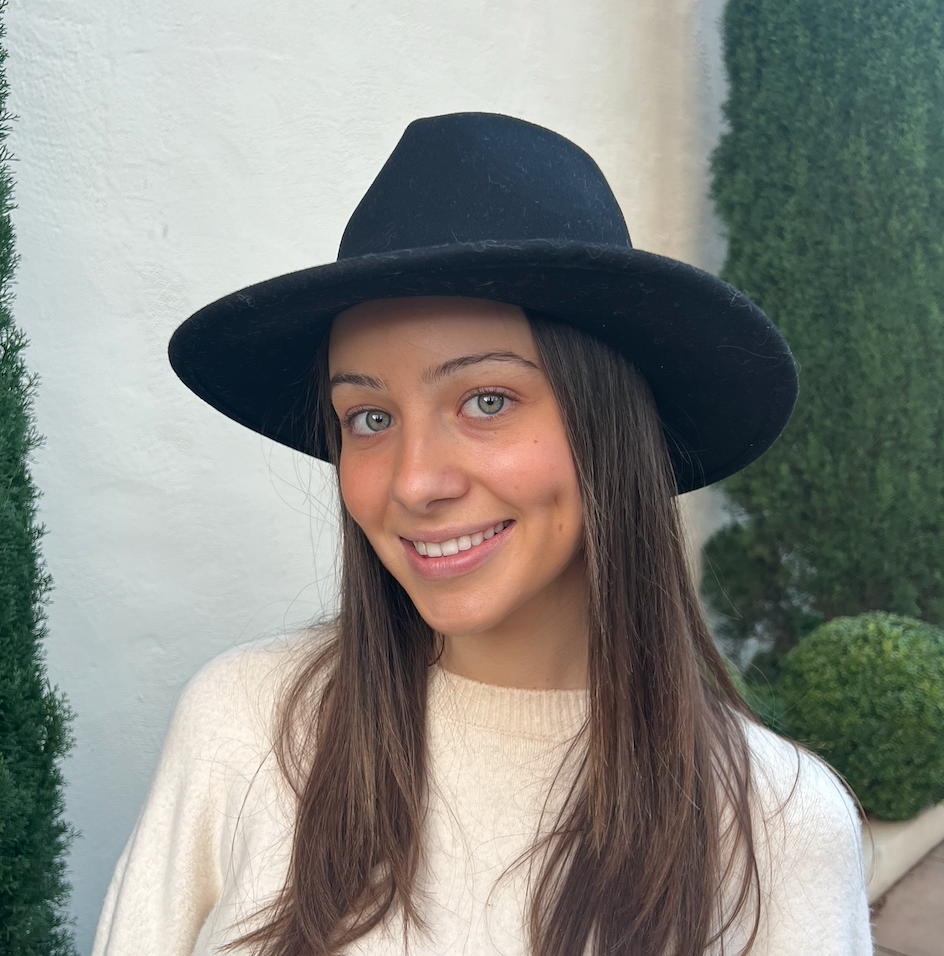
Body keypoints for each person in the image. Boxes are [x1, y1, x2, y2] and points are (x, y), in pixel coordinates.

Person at [92, 113, 872, 956]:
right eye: (369, 416)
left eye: (486, 400)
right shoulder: (245, 725)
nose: (414, 481)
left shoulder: (779, 823)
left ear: (609, 428)